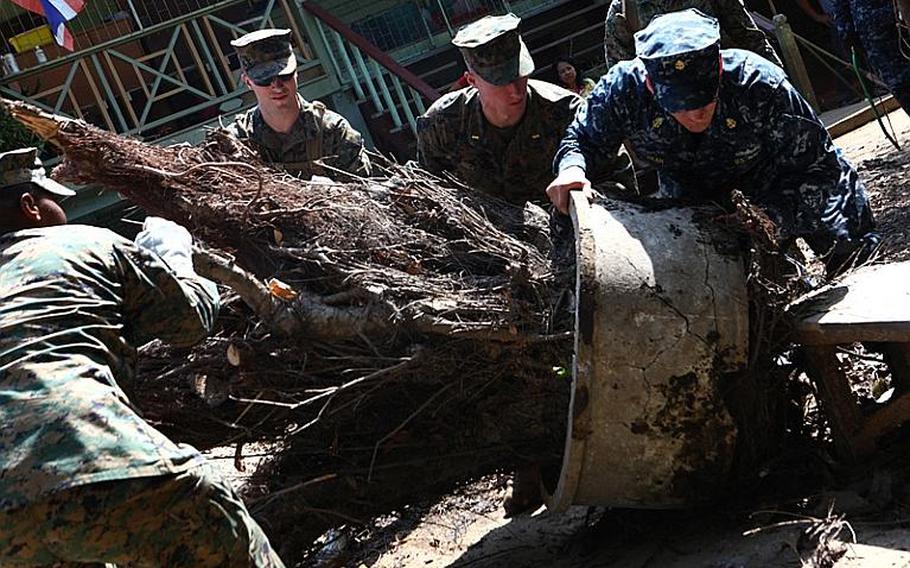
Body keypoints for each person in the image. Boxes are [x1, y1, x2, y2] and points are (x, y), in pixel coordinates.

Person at [0, 147, 285, 567]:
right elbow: (191, 320)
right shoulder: (84, 243)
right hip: (102, 467)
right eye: (53, 200)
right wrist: (172, 252)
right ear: (30, 206)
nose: (62, 209)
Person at [549, 9, 878, 273]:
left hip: (778, 180)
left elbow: (822, 170)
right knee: (743, 301)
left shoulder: (758, 83)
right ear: (651, 86)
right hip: (695, 200)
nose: (695, 114)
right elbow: (580, 139)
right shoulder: (623, 90)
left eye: (705, 99)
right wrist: (572, 169)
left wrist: (773, 217)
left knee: (853, 252)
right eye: (681, 104)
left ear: (719, 68)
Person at [417, 13, 636, 205]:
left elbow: (620, 183)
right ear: (472, 81)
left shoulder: (568, 112)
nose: (515, 90)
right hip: (486, 242)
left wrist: (579, 205)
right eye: (500, 81)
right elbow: (432, 194)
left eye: (519, 75)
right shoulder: (442, 124)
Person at [227, 28, 371, 179]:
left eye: (284, 76)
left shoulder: (333, 131)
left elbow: (363, 189)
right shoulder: (238, 140)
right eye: (265, 79)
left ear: (296, 72)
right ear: (248, 82)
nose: (277, 86)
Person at [603, 0, 783, 70]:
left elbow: (751, 39)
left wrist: (781, 85)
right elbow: (622, 76)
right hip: (676, 120)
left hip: (731, 99)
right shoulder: (624, 12)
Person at [828, 0, 910, 113]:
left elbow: (843, 21)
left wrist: (849, 39)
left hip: (886, 29)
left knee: (900, 84)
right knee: (900, 85)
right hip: (878, 35)